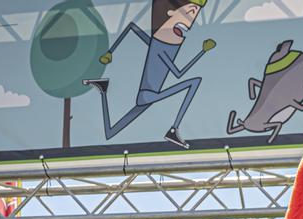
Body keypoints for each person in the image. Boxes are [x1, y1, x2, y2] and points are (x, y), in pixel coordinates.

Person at [83, 0, 215, 149]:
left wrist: (111, 52)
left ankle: (103, 90)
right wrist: (202, 52)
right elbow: (178, 74)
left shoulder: (158, 42)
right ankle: (173, 130)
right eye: (191, 11)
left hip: (147, 96)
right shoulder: (162, 46)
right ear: (170, 12)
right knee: (194, 82)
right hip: (148, 94)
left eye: (196, 13)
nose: (193, 18)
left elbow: (132, 28)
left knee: (110, 132)